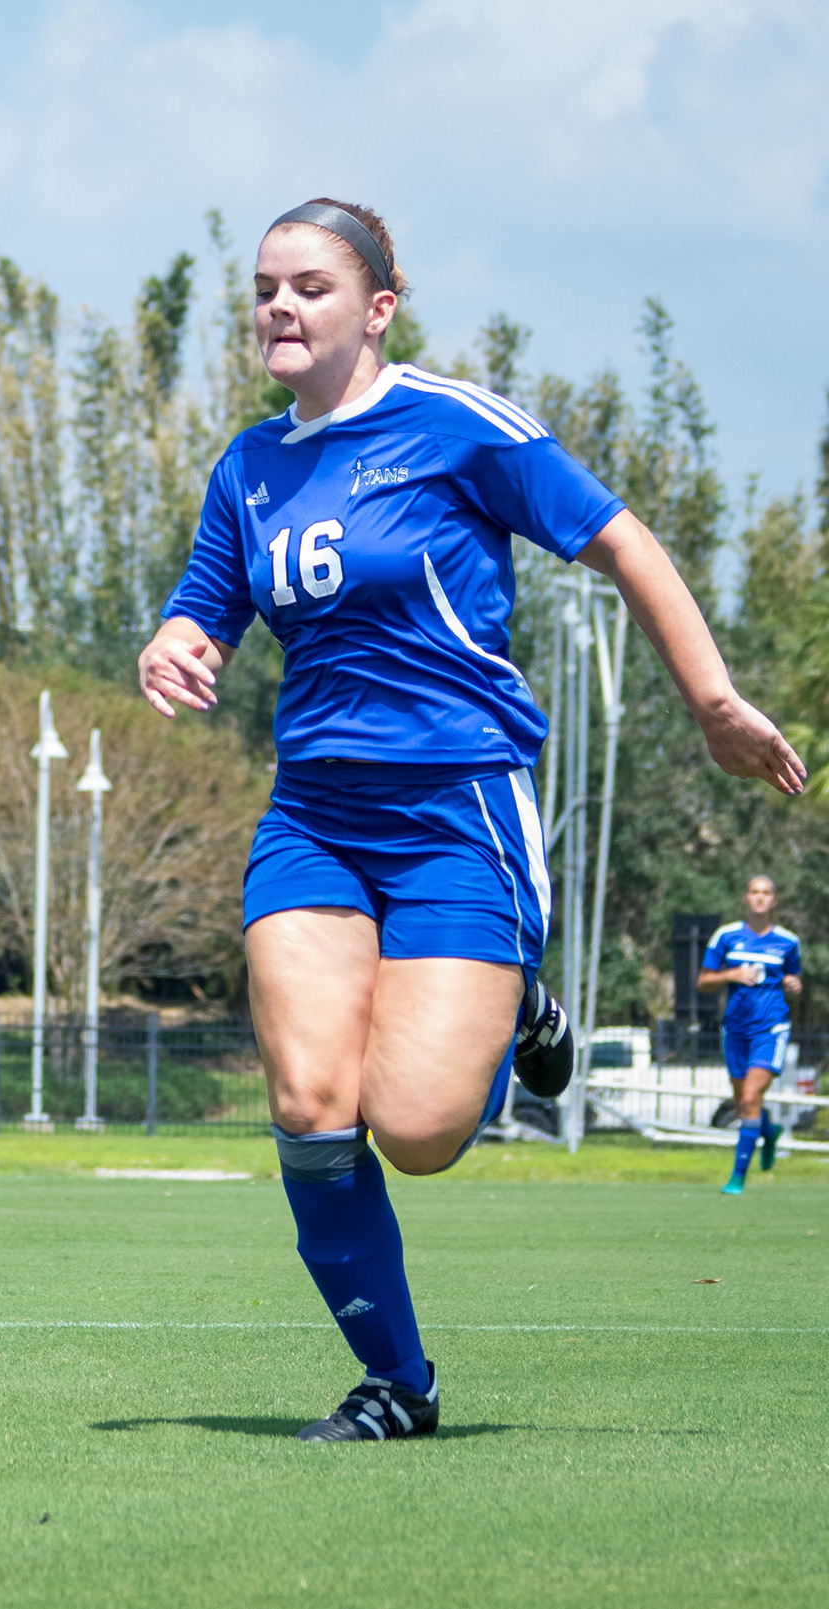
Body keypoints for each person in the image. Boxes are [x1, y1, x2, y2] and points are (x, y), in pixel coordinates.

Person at [137, 199, 802, 1443]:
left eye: (311, 287)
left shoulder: (457, 427)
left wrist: (713, 701)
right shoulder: (247, 467)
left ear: (379, 308)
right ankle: (397, 1381)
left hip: (458, 808)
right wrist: (171, 646)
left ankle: (522, 1004)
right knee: (311, 1106)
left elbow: (625, 543)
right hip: (313, 820)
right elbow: (203, 610)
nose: (280, 307)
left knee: (421, 1131)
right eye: (266, 288)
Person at [697, 877, 801, 1194]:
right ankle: (768, 1132)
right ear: (746, 898)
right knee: (744, 1103)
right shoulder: (726, 936)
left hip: (770, 1029)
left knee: (751, 1097)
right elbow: (703, 982)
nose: (760, 898)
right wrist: (732, 974)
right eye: (755, 892)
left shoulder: (788, 941)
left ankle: (737, 1178)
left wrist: (793, 985)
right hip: (735, 1030)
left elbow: (793, 979)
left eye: (766, 893)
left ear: (774, 901)